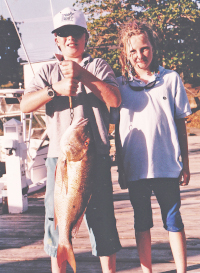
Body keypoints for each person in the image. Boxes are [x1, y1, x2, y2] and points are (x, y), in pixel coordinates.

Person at [20, 7, 122, 273]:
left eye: (76, 33)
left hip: (94, 158)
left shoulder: (99, 66)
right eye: (64, 34)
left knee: (103, 221)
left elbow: (114, 99)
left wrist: (82, 75)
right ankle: (61, 263)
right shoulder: (46, 72)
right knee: (57, 221)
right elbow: (25, 105)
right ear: (56, 39)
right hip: (60, 159)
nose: (70, 39)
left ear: (85, 36)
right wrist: (55, 90)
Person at [111, 19, 191, 273]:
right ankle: (148, 270)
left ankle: (181, 269)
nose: (139, 55)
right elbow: (118, 131)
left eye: (144, 48)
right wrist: (122, 169)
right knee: (141, 221)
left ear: (153, 47)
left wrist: (185, 164)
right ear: (125, 54)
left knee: (173, 220)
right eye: (132, 51)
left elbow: (180, 125)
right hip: (135, 169)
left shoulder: (171, 79)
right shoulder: (120, 85)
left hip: (167, 166)